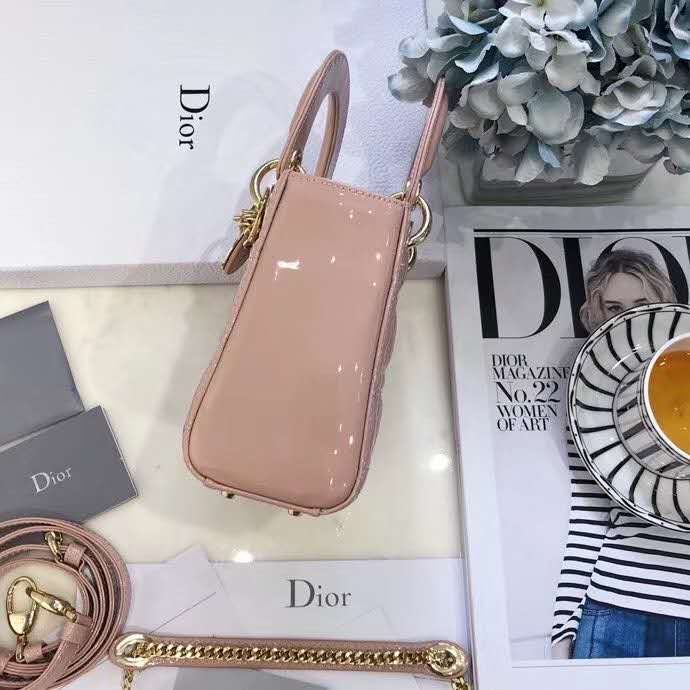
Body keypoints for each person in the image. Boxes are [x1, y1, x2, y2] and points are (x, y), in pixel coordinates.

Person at [551, 248, 688, 659]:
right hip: (616, 611)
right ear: (597, 312)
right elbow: (588, 514)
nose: (628, 316)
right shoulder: (590, 387)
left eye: (642, 303)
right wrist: (563, 628)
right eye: (614, 307)